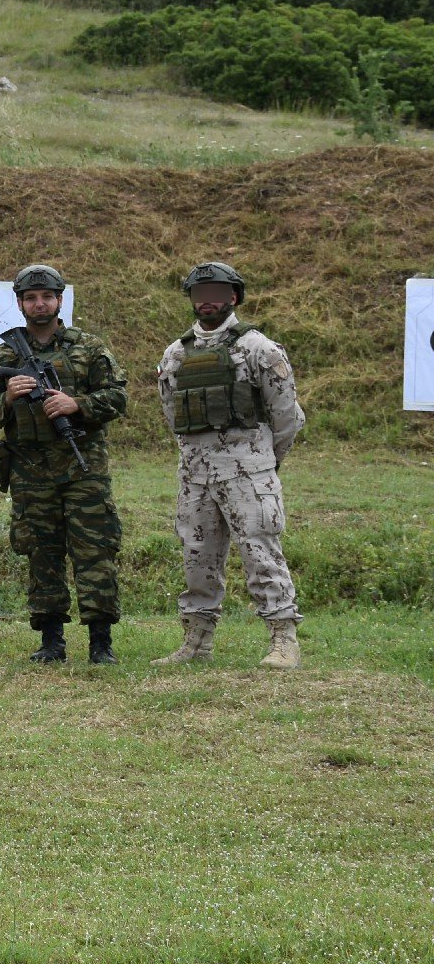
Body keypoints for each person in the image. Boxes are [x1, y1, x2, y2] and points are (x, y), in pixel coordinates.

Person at [0, 264, 129, 665]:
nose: (39, 304)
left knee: (94, 551)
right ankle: (51, 641)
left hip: (83, 470)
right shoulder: (4, 355)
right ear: (21, 303)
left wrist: (78, 404)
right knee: (41, 552)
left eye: (46, 297)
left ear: (60, 300)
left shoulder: (89, 348)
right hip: (29, 470)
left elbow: (118, 398)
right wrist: (7, 397)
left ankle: (100, 642)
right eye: (30, 298)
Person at [153, 262, 306, 669]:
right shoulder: (176, 354)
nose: (208, 300)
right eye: (199, 293)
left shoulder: (260, 349)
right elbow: (172, 415)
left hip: (247, 471)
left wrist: (265, 464)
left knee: (261, 552)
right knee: (196, 555)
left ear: (234, 296)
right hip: (195, 474)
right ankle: (196, 643)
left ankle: (283, 640)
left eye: (217, 292)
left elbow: (287, 417)